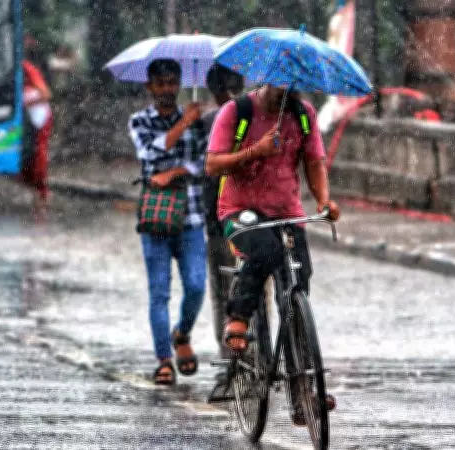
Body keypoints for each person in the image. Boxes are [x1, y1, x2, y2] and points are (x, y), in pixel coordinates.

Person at [205, 84, 340, 425]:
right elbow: (213, 165)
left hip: (287, 211)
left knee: (297, 286)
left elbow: (314, 161)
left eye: (293, 84)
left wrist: (323, 199)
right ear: (266, 79)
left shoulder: (303, 114)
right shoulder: (237, 113)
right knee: (264, 251)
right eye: (280, 83)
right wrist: (255, 151)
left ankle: (303, 392)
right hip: (240, 211)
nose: (287, 90)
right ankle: (238, 315)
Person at [128, 59, 206, 385]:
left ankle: (182, 332)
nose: (167, 89)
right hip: (156, 219)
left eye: (172, 82)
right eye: (160, 83)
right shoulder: (139, 121)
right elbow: (151, 154)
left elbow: (205, 163)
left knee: (196, 286)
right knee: (159, 293)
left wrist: (175, 172)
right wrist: (183, 124)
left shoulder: (197, 122)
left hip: (191, 216)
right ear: (150, 86)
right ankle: (163, 359)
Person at [197, 64, 244, 374]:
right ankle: (255, 346)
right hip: (256, 214)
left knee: (223, 287)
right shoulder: (257, 118)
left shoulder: (205, 124)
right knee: (252, 286)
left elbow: (202, 170)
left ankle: (229, 352)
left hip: (219, 217)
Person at [20, 38, 53, 206]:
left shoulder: (28, 69)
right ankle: (36, 186)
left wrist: (26, 103)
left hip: (40, 117)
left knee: (39, 153)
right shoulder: (17, 69)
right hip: (29, 118)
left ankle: (41, 190)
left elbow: (46, 94)